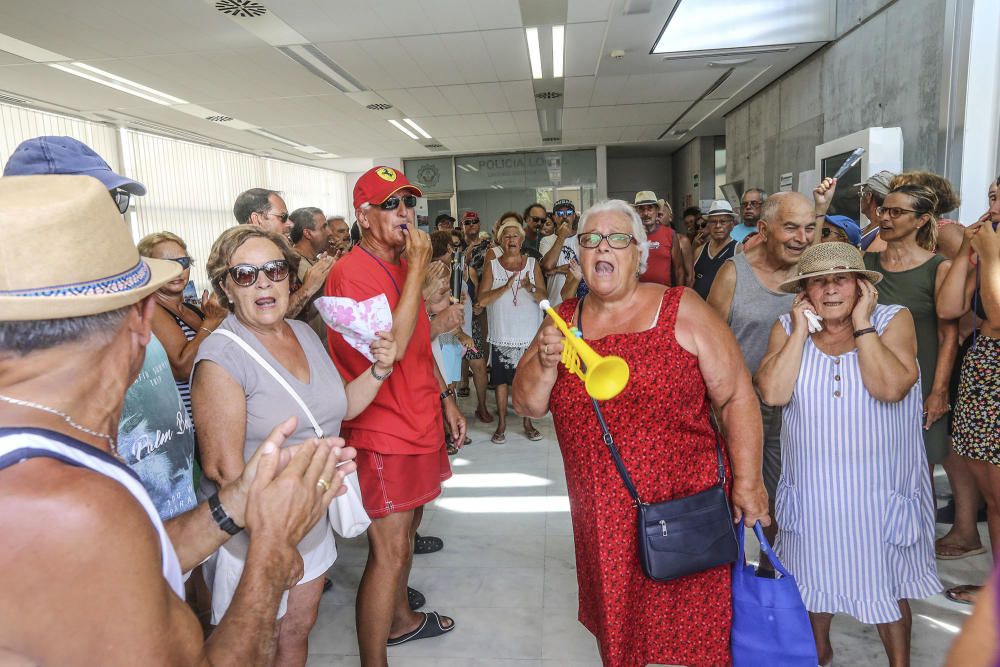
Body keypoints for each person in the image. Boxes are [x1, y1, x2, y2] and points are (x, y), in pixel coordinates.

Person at [0, 174, 352, 665]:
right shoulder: (67, 503)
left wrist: (236, 504)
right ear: (142, 318)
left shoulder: (45, 440)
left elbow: (133, 561)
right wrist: (271, 549)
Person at [512, 198, 769, 667]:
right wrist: (546, 361)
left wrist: (749, 481)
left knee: (698, 631)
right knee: (620, 631)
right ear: (578, 255)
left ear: (640, 253)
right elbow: (527, 403)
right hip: (602, 518)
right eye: (589, 240)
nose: (602, 247)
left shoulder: (681, 308)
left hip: (686, 507)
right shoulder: (562, 321)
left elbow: (735, 396)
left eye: (617, 238)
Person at [191, 225, 394, 666]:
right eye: (245, 274)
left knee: (296, 634)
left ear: (289, 277)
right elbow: (224, 472)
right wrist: (278, 534)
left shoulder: (302, 334)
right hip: (254, 537)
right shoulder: (221, 358)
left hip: (312, 522)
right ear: (226, 287)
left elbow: (338, 408)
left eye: (273, 270)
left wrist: (379, 369)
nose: (263, 282)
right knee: (254, 649)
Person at [756, 242, 940, 666]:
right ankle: (819, 653)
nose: (831, 290)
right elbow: (773, 391)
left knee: (886, 586)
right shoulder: (787, 328)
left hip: (879, 494)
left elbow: (890, 388)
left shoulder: (893, 320)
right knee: (813, 583)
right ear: (804, 292)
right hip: (816, 493)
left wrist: (861, 325)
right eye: (819, 282)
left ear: (862, 286)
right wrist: (802, 331)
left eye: (841, 279)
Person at [325, 166, 465, 664]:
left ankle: (401, 619)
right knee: (389, 552)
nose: (404, 214)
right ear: (363, 216)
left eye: (408, 203)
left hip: (417, 415)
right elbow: (395, 346)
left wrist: (446, 396)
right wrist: (422, 265)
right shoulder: (351, 273)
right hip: (382, 429)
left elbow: (419, 341)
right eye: (391, 205)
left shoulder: (402, 263)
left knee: (406, 538)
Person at [707, 192, 815, 554]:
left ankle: (773, 571)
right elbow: (708, 346)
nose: (802, 238)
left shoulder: (814, 272)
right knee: (737, 495)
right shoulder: (734, 273)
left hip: (801, 407)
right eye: (791, 228)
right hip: (741, 409)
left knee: (786, 498)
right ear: (765, 230)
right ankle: (728, 576)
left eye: (809, 228)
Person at [863, 184, 958, 474]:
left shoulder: (937, 268)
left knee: (919, 468)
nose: (885, 218)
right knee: (873, 463)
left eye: (897, 212)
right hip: (870, 377)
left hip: (922, 378)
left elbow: (948, 335)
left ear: (921, 220)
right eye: (883, 210)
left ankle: (920, 522)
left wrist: (939, 391)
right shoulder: (865, 263)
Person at [936, 178, 1000, 605]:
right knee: (993, 496)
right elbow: (948, 307)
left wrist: (991, 255)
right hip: (983, 374)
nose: (993, 201)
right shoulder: (990, 248)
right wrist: (965, 252)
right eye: (992, 194)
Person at [137, 231, 228, 427]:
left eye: (183, 263)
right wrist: (211, 321)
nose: (177, 270)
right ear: (146, 268)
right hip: (183, 426)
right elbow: (184, 368)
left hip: (213, 418)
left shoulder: (192, 309)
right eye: (166, 265)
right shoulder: (150, 309)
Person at [477, 216, 545, 444]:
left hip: (528, 334)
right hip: (503, 333)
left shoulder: (532, 264)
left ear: (522, 239)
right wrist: (504, 287)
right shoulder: (492, 266)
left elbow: (543, 297)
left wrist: (529, 287)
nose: (511, 239)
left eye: (515, 235)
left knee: (527, 381)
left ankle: (527, 422)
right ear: (500, 241)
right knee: (501, 381)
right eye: (506, 236)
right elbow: (482, 301)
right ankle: (502, 424)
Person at [234, 189, 335, 319]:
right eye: (283, 217)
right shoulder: (244, 264)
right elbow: (271, 319)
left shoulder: (279, 255)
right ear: (257, 219)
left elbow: (302, 315)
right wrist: (307, 289)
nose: (290, 224)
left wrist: (319, 284)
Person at [289, 206, 335, 339]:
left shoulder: (317, 261)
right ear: (308, 234)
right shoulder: (294, 265)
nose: (329, 232)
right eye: (324, 227)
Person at [633, 190, 685, 287]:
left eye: (650, 209)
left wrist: (678, 295)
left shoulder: (670, 234)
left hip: (664, 294)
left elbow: (679, 269)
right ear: (637, 212)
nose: (646, 213)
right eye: (641, 209)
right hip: (639, 295)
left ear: (657, 210)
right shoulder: (632, 237)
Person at [692, 199, 737, 299]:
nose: (718, 226)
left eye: (723, 221)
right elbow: (691, 281)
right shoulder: (699, 251)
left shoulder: (739, 250)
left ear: (732, 225)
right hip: (700, 310)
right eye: (713, 222)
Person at [540, 198, 581, 307]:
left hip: (578, 304)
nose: (564, 216)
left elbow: (583, 268)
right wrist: (562, 236)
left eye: (568, 213)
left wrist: (557, 269)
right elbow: (548, 266)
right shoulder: (546, 240)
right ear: (554, 217)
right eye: (560, 213)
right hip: (554, 304)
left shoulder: (581, 239)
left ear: (574, 216)